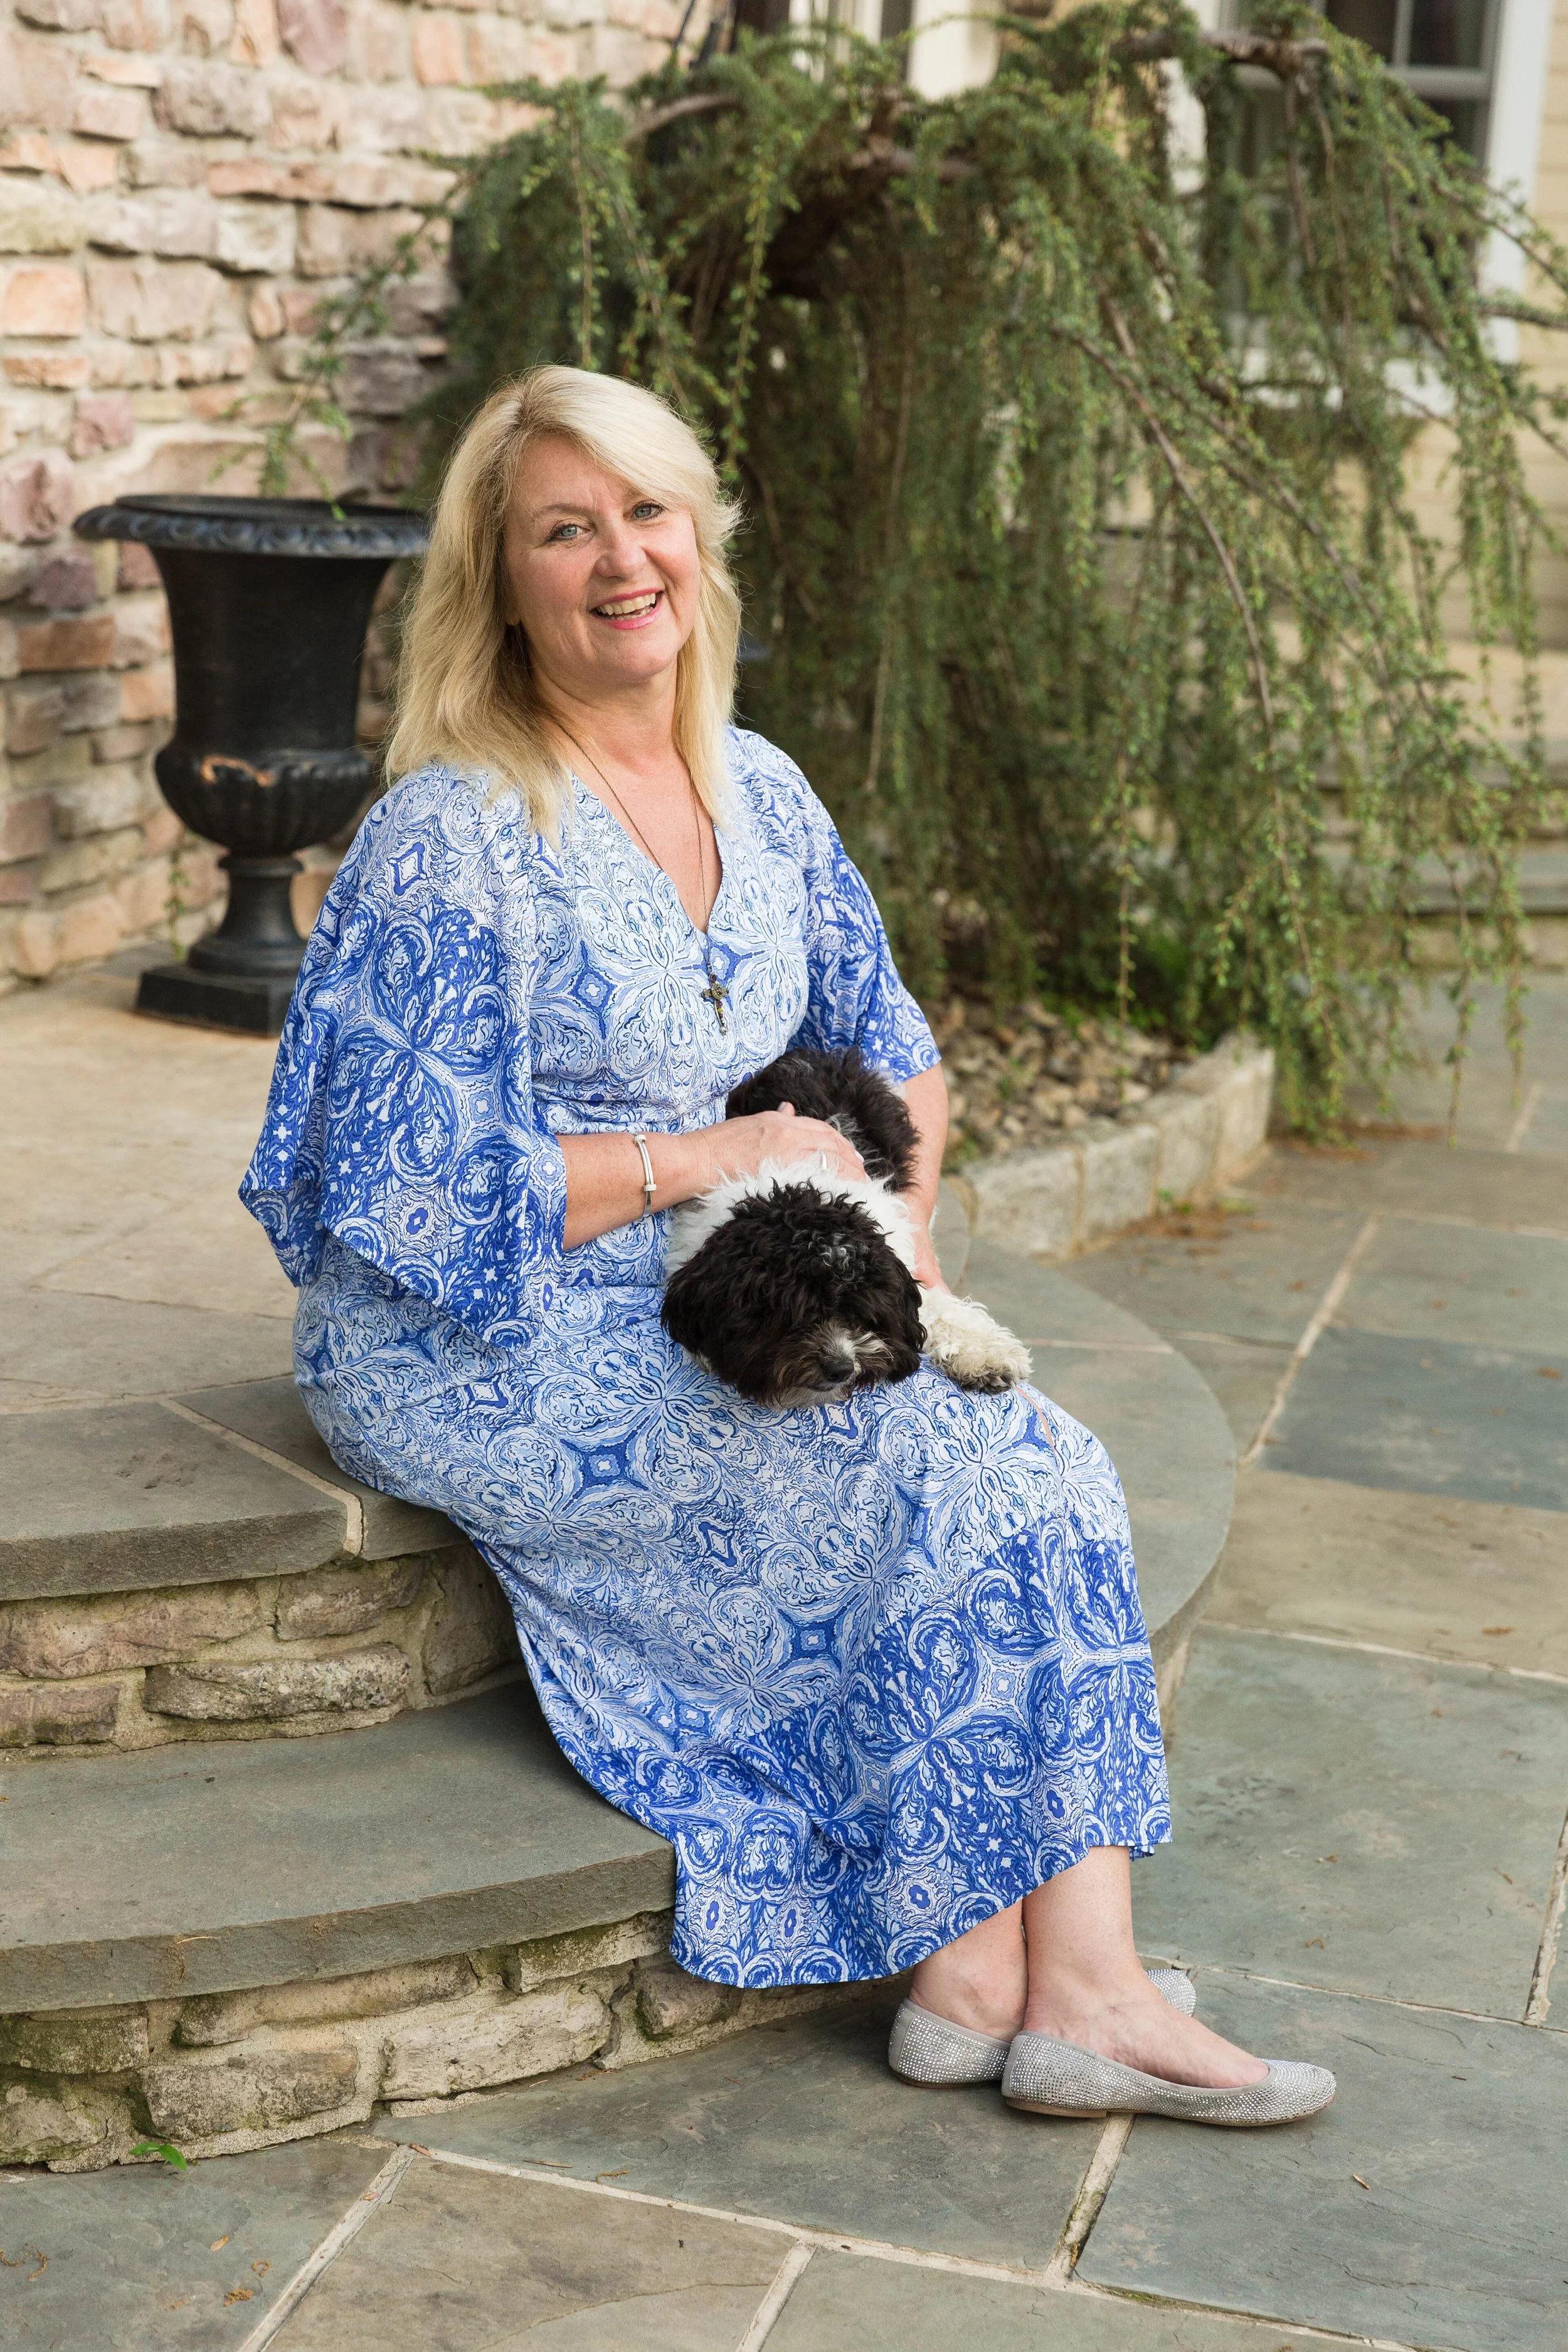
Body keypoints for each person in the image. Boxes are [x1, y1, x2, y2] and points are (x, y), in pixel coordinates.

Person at [241, 364, 1332, 2127]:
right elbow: (402, 1179)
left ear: (702, 542)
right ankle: (1061, 1986)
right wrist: (719, 1148)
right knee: (950, 1470)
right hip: (470, 1326)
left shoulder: (759, 789)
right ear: (497, 581)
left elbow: (897, 1043)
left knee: (1029, 1449)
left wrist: (882, 1253)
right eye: (563, 529)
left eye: (646, 512)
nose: (620, 561)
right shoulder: (454, 833)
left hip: (717, 1279)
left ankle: (1016, 1977)